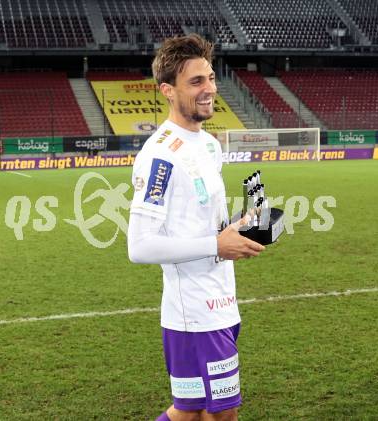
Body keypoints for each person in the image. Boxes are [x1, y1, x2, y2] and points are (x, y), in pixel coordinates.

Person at [127, 34, 265, 421]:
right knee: (223, 415)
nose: (209, 90)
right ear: (167, 91)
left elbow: (206, 222)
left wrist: (235, 229)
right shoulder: (159, 156)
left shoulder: (207, 145)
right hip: (195, 314)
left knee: (190, 413)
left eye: (210, 78)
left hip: (221, 300)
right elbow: (139, 247)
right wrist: (215, 245)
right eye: (196, 82)